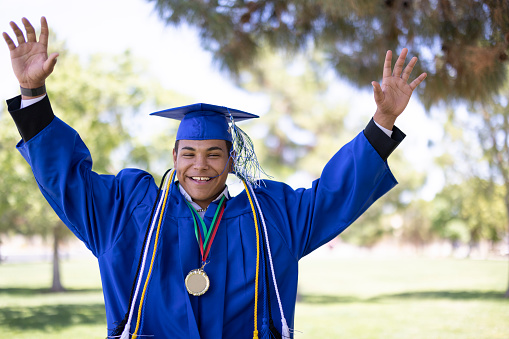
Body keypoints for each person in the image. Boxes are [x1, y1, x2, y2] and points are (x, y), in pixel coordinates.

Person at [3, 17, 426, 339]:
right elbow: (67, 181)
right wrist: (33, 97)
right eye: (188, 154)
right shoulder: (127, 213)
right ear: (174, 156)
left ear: (230, 160)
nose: (199, 165)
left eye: (213, 155)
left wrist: (382, 121)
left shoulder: (271, 217)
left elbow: (336, 195)